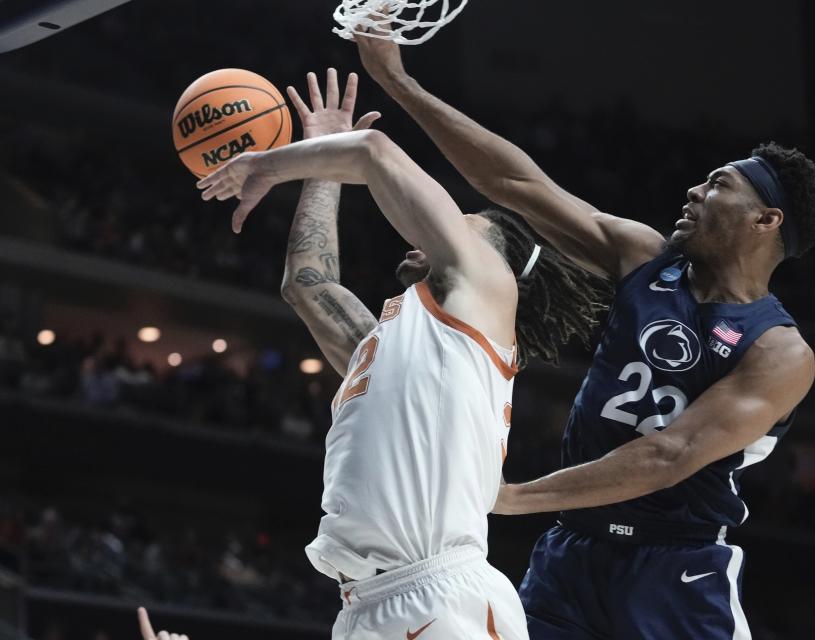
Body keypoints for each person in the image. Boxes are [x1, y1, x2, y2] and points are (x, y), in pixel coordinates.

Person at [354, 35, 815, 639]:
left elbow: (670, 454)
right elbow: (513, 183)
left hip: (676, 572)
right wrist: (401, 83)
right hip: (570, 558)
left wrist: (510, 497)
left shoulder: (779, 351)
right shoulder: (643, 256)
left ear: (766, 220)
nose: (694, 191)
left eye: (718, 185)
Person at [196, 69, 608, 640]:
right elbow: (308, 284)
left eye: (458, 228)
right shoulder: (401, 341)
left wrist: (273, 162)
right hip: (368, 601)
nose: (431, 233)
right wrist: (320, 166)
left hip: (439, 594)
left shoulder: (489, 295)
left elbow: (373, 150)